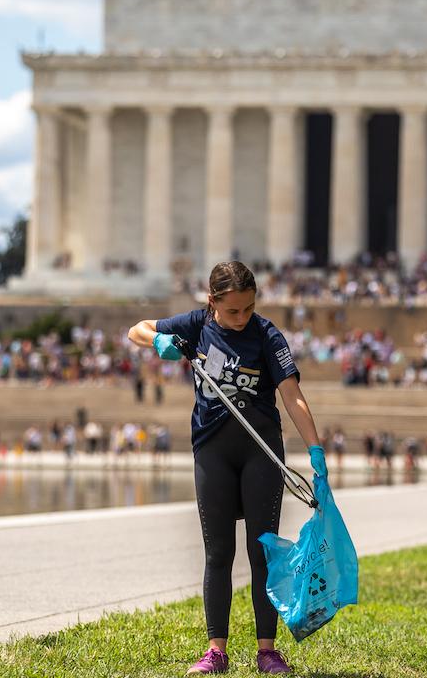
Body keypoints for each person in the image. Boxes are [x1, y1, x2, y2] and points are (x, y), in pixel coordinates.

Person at [127, 261, 321, 675]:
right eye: (233, 311)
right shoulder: (196, 325)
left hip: (261, 452)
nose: (241, 318)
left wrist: (316, 450)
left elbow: (291, 394)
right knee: (218, 553)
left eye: (248, 308)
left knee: (261, 553)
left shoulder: (266, 335)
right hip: (212, 451)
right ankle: (216, 651)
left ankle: (267, 651)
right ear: (212, 302)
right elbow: (137, 329)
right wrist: (157, 342)